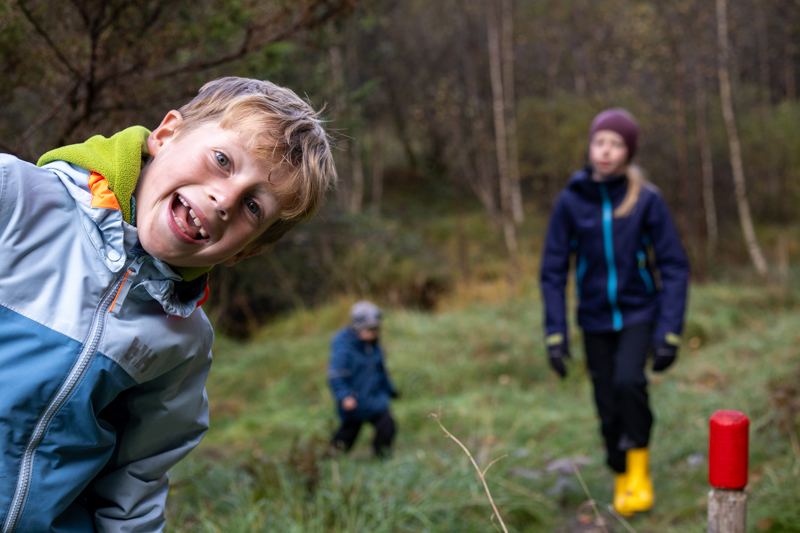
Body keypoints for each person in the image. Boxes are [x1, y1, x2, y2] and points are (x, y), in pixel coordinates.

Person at [0, 77, 336, 531]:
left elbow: (135, 486)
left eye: (254, 208)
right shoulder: (17, 200)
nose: (224, 199)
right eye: (223, 160)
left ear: (244, 252)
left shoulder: (183, 343)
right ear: (165, 134)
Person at [539, 108, 689, 516]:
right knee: (606, 405)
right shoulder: (571, 201)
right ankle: (620, 468)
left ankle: (638, 472)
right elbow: (553, 272)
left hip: (640, 311)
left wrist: (670, 331)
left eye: (616, 143)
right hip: (593, 318)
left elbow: (674, 266)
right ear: (590, 146)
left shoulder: (646, 200)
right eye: (600, 141)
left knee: (628, 383)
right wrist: (555, 334)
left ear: (629, 151)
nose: (606, 151)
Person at [328, 301, 399, 458]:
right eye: (370, 330)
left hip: (375, 400)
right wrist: (344, 396)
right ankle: (331, 458)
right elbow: (336, 374)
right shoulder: (344, 347)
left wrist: (390, 389)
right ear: (358, 327)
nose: (374, 333)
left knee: (387, 427)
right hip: (355, 402)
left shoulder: (374, 348)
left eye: (376, 330)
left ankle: (381, 456)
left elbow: (381, 372)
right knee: (347, 434)